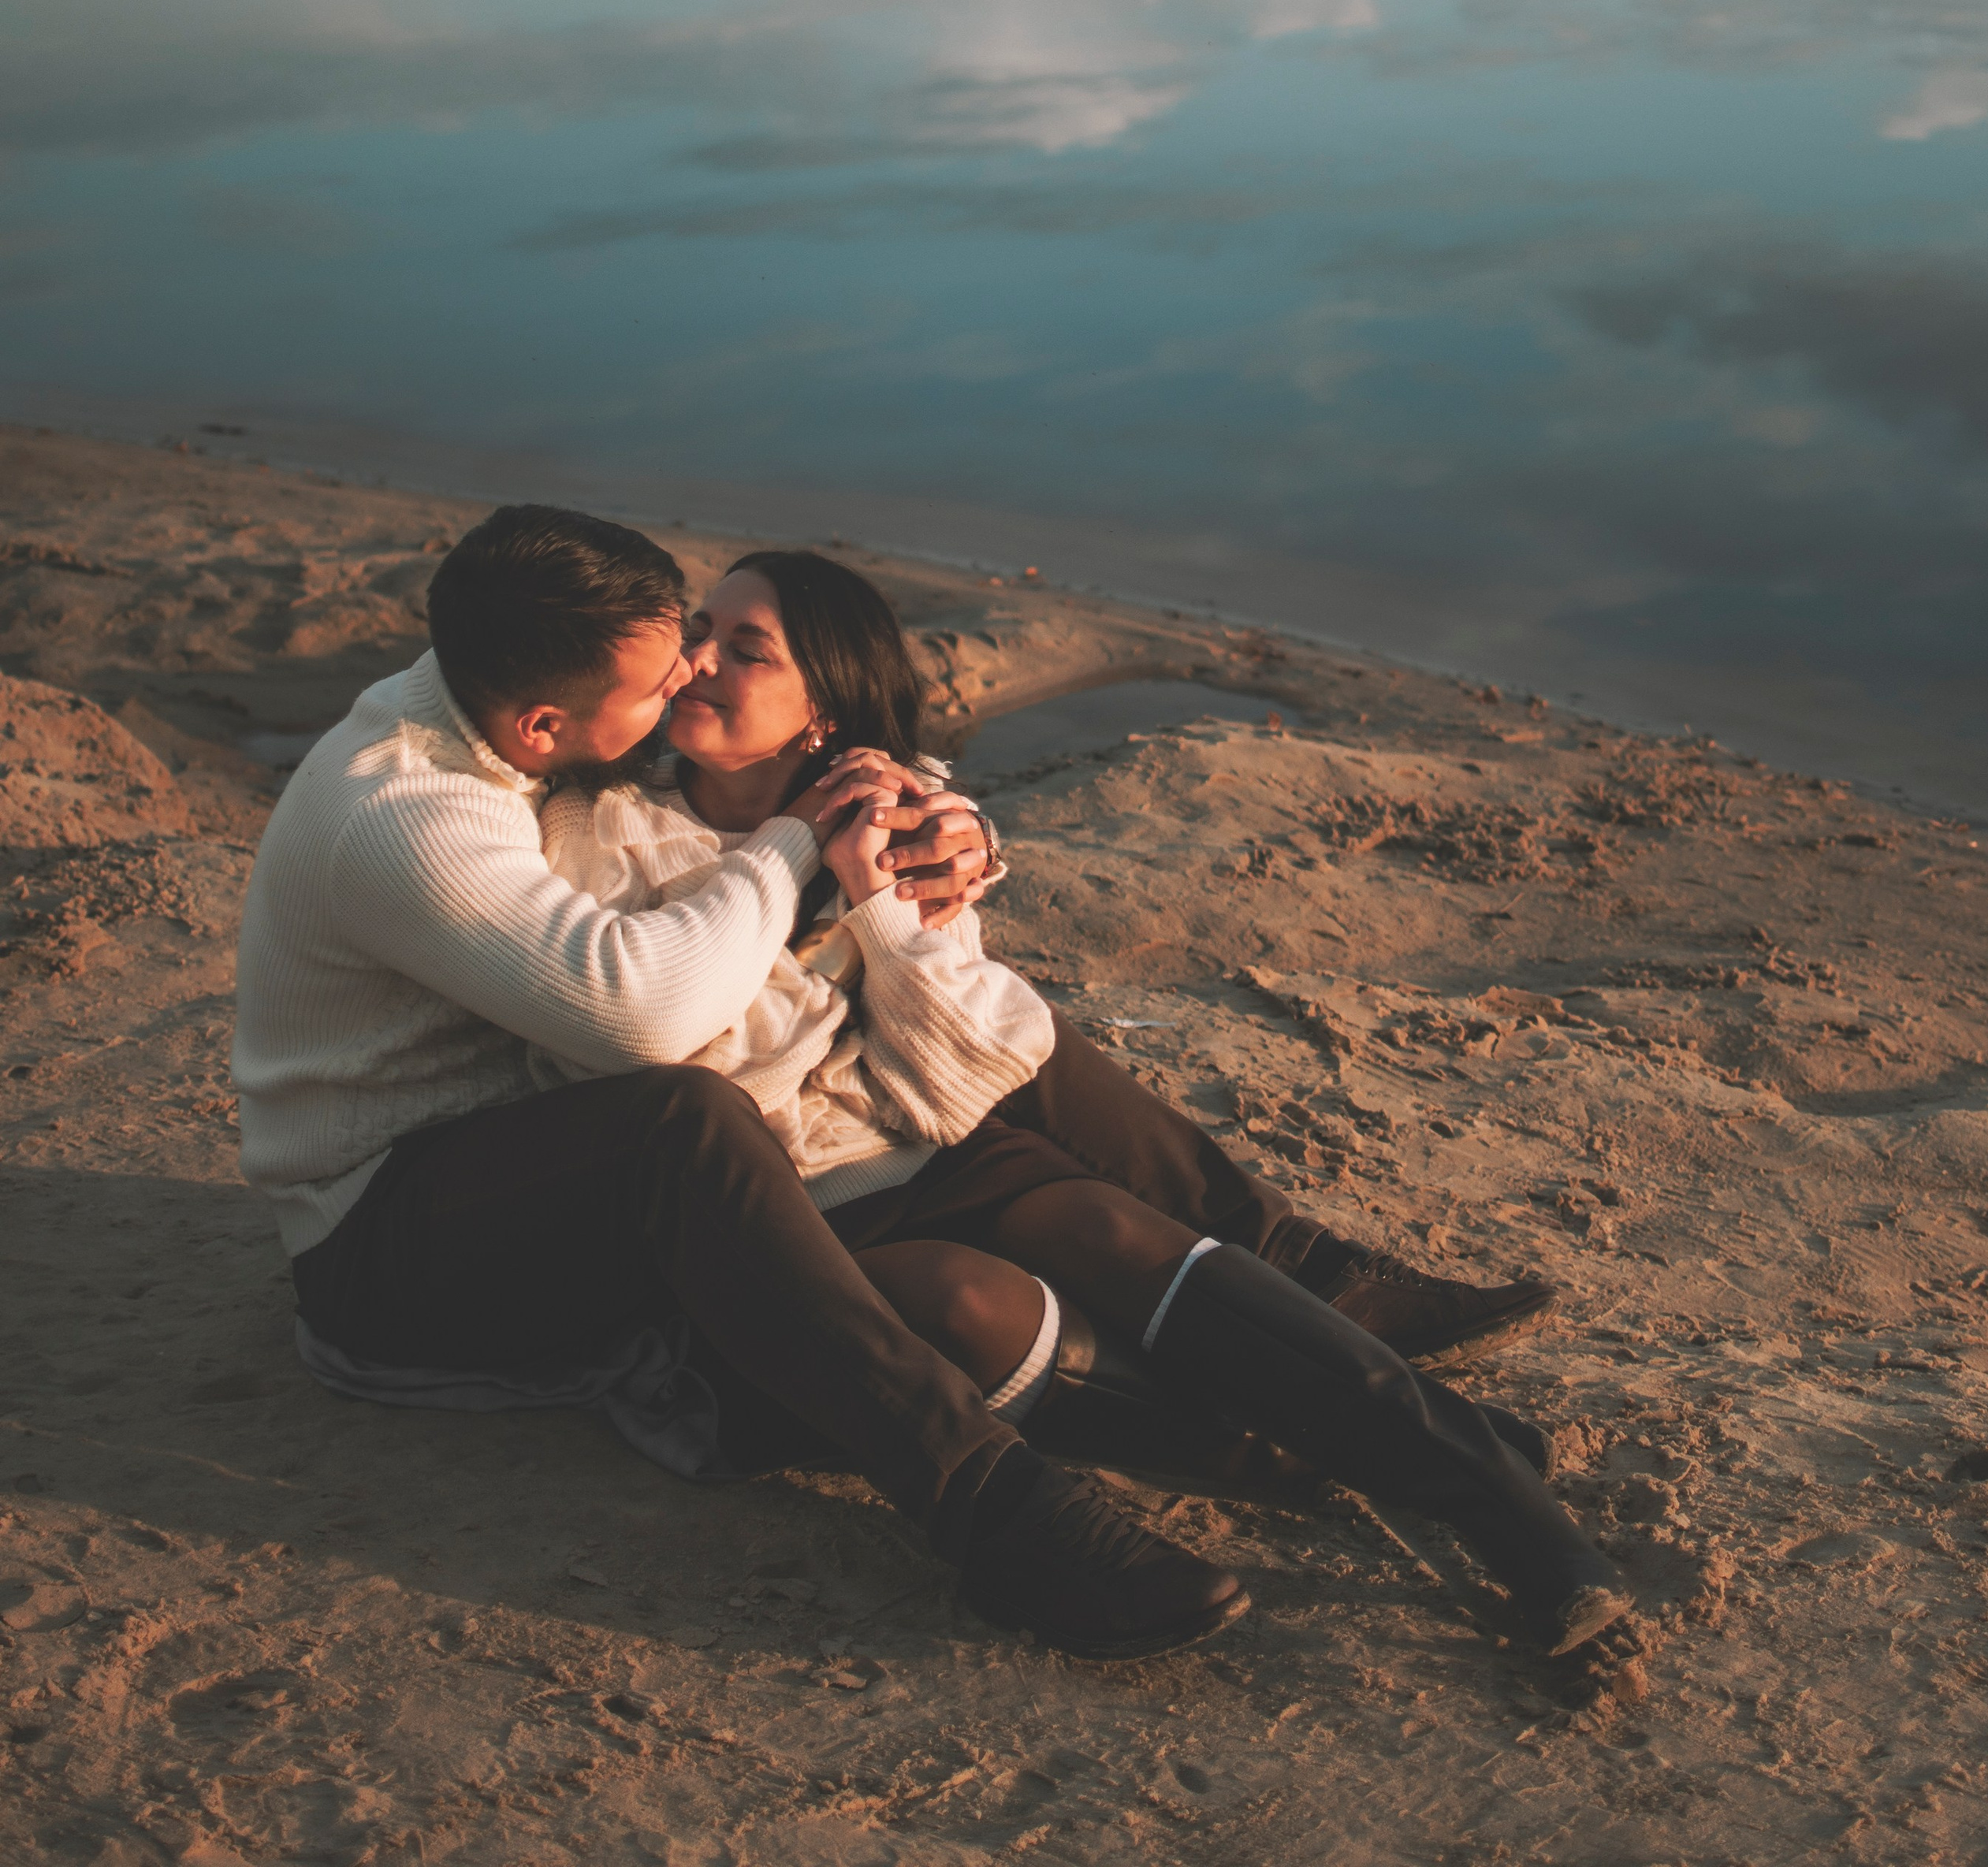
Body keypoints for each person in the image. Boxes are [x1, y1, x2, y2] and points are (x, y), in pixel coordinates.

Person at [535, 547, 1629, 1657]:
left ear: (820, 711)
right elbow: (685, 1054)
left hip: (916, 1148)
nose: (695, 661)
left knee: (1111, 1228)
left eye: (744, 648)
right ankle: (1311, 1443)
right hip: (760, 1209)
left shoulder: (896, 818)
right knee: (968, 1301)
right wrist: (798, 883)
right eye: (699, 631)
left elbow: (959, 1078)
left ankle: (1515, 1518)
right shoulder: (597, 829)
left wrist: (877, 898)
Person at [233, 504, 1244, 1661]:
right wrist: (796, 839)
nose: (690, 683)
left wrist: (937, 823)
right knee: (684, 1120)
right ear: (547, 721)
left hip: (531, 1166)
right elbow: (642, 1013)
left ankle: (1261, 1283)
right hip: (385, 1248)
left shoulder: (507, 715)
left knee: (914, 1118)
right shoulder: (403, 810)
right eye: (662, 681)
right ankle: (990, 1511)